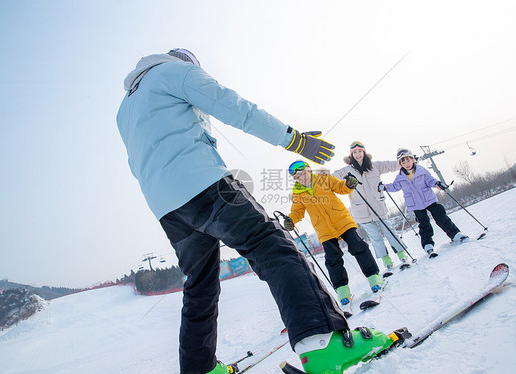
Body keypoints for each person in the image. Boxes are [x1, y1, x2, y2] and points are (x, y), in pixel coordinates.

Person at [116, 48, 394, 374]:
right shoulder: (174, 71)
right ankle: (321, 343)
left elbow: (137, 162)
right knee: (272, 247)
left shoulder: (125, 108)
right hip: (204, 183)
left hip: (168, 209)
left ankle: (200, 369)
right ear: (189, 62)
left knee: (199, 286)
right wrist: (295, 140)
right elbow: (233, 107)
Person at [283, 160, 384, 316]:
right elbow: (297, 212)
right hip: (324, 229)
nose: (301, 178)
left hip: (341, 220)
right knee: (332, 259)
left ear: (309, 171)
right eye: (297, 177)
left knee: (358, 247)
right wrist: (290, 220)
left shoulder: (325, 179)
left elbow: (341, 188)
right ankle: (343, 294)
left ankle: (374, 279)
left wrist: (349, 184)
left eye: (303, 174)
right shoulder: (298, 193)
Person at [333, 141, 411, 275]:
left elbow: (392, 165)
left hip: (378, 207)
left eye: (360, 151)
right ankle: (387, 262)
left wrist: (405, 159)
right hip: (361, 211)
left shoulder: (375, 166)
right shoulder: (346, 171)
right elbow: (330, 178)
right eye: (355, 152)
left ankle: (402, 255)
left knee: (389, 231)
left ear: (364, 152)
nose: (358, 154)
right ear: (351, 155)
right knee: (375, 238)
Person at [382, 148, 468, 256]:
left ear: (413, 159)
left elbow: (430, 180)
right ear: (400, 164)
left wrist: (437, 184)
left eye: (408, 160)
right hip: (416, 204)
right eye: (403, 162)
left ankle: (455, 234)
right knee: (423, 224)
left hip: (429, 199)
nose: (406, 164)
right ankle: (428, 245)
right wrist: (385, 187)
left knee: (440, 216)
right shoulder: (400, 177)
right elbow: (394, 187)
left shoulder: (421, 171)